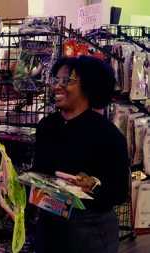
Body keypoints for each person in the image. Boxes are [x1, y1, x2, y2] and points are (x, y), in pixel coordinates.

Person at [32, 55, 130, 253]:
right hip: (48, 226)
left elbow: (120, 192)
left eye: (66, 81)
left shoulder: (108, 134)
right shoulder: (46, 126)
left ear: (88, 86)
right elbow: (39, 172)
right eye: (55, 80)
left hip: (90, 231)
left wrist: (94, 185)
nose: (57, 86)